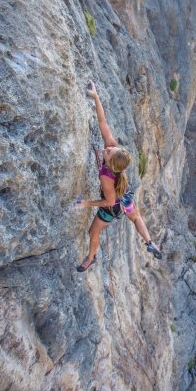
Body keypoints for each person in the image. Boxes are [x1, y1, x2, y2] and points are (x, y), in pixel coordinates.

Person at [75, 81, 162, 272]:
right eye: (111, 148)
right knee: (136, 218)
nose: (107, 149)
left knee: (93, 232)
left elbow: (108, 201)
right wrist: (95, 96)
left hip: (113, 206)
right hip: (126, 197)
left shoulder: (107, 177)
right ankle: (149, 242)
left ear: (110, 163)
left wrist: (86, 203)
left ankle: (90, 258)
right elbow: (102, 122)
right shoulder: (114, 153)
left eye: (108, 153)